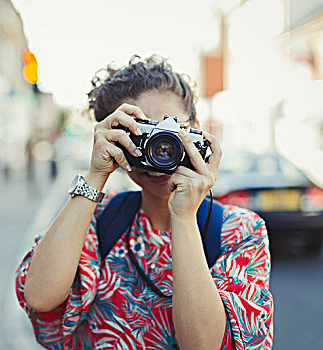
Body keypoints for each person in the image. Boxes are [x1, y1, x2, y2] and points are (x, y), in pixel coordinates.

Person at [15, 55, 273, 349]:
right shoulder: (97, 217)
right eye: (138, 134)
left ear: (196, 128)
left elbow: (203, 345)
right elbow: (39, 296)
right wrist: (95, 176)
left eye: (169, 129)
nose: (158, 150)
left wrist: (185, 216)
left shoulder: (240, 231)